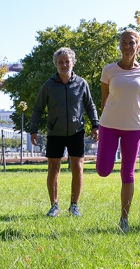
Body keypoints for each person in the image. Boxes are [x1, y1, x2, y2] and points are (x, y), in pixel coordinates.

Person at [95, 29, 140, 233]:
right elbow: (104, 101)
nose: (127, 46)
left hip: (133, 128)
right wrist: (105, 123)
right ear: (119, 46)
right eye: (124, 42)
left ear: (138, 46)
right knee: (103, 170)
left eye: (132, 42)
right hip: (109, 126)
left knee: (127, 173)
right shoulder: (109, 70)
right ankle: (107, 159)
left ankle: (124, 219)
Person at [29, 47, 99, 218]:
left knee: (78, 167)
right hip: (55, 133)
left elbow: (90, 105)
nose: (64, 64)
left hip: (76, 132)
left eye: (67, 61)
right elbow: (38, 109)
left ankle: (74, 206)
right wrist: (33, 130)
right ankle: (54, 206)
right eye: (60, 62)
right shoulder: (48, 85)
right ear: (56, 64)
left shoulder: (81, 84)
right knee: (53, 169)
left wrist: (96, 125)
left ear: (73, 62)